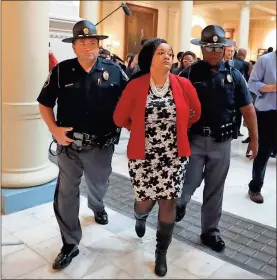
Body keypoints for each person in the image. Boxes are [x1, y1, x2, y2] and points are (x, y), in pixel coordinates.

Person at [37, 20, 128, 270]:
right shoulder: (61, 71)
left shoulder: (115, 70)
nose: (88, 47)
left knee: (98, 185)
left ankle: (97, 206)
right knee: (67, 192)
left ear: (99, 46)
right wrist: (54, 129)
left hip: (101, 146)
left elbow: (130, 101)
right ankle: (70, 243)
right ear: (74, 47)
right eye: (82, 43)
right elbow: (44, 103)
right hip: (69, 146)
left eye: (92, 42)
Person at [113, 38, 201, 277]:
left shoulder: (183, 84)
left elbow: (195, 113)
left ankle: (161, 252)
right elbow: (119, 118)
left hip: (174, 156)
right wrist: (140, 128)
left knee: (168, 201)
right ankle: (140, 216)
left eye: (169, 52)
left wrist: (178, 127)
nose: (167, 56)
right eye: (161, 52)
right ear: (149, 57)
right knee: (145, 201)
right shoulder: (135, 85)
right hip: (143, 156)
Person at [176, 25, 258, 252]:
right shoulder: (188, 74)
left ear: (224, 49)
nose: (214, 52)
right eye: (209, 47)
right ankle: (180, 205)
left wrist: (254, 138)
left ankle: (210, 231)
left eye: (218, 48)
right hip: (194, 141)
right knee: (189, 183)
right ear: (202, 49)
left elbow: (248, 108)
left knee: (215, 189)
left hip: (222, 143)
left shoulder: (234, 75)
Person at [247, 50, 276, 203]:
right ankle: (255, 187)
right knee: (263, 153)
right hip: (269, 114)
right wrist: (273, 87)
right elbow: (252, 83)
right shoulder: (265, 60)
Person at [224, 45, 245, 136]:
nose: (230, 53)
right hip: (222, 91)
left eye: (232, 51)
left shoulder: (238, 64)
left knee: (237, 114)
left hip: (234, 92)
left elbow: (242, 78)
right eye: (228, 50)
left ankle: (236, 131)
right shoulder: (217, 62)